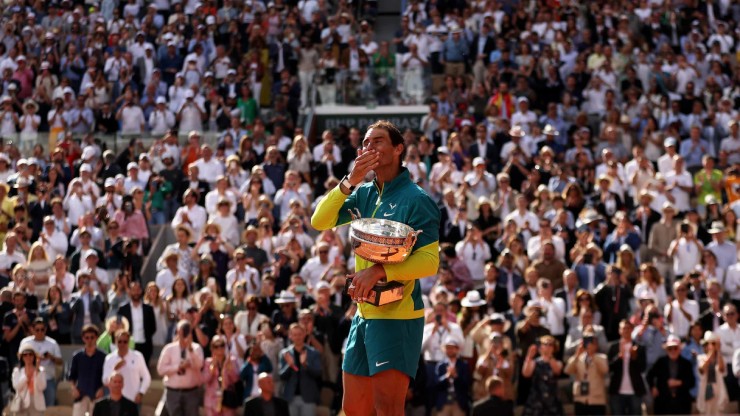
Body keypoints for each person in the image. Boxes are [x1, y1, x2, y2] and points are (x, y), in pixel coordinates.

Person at [311, 120, 440, 415]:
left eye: (378, 141)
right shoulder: (362, 193)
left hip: (397, 316)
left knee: (388, 410)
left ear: (398, 149)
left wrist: (379, 271)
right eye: (366, 143)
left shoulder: (417, 200)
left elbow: (430, 262)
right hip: (364, 312)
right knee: (354, 409)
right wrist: (349, 181)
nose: (370, 147)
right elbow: (319, 221)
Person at [156, 320, 205, 416]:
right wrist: (177, 367)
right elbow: (160, 370)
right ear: (178, 331)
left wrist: (190, 349)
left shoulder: (196, 348)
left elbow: (199, 365)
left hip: (191, 392)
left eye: (187, 331)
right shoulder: (169, 349)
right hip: (173, 393)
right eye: (183, 331)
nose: (185, 334)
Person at [279, 323, 322, 416]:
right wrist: (289, 365)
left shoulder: (313, 353)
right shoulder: (285, 353)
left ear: (304, 334)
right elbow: (282, 376)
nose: (297, 337)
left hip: (308, 397)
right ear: (290, 336)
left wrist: (305, 365)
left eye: (299, 334)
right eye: (294, 334)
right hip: (290, 396)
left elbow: (318, 373)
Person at [646, 335, 695, 415]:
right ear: (666, 350)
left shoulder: (686, 364)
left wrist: (679, 382)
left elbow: (692, 382)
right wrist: (653, 387)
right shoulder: (660, 362)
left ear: (679, 349)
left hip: (682, 404)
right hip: (663, 404)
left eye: (675, 348)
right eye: (670, 348)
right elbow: (649, 375)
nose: (673, 351)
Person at [19, 318, 62, 407]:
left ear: (45, 329)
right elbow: (19, 357)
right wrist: (33, 357)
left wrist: (51, 357)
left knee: (49, 406)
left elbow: (60, 361)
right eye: (37, 330)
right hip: (30, 379)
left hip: (48, 379)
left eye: (42, 329)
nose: (40, 332)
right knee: (29, 406)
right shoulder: (25, 342)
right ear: (32, 329)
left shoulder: (52, 343)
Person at [564, 329, 609, 415]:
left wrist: (592, 355)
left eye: (591, 341)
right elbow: (567, 370)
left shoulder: (602, 357)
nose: (588, 344)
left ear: (596, 344)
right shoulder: (578, 358)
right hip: (580, 399)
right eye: (586, 341)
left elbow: (605, 370)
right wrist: (577, 354)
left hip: (597, 400)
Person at [102, 329, 151, 406]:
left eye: (125, 342)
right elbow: (105, 380)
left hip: (133, 400)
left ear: (128, 342)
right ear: (115, 342)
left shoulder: (138, 356)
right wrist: (114, 369)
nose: (122, 344)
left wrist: (141, 393)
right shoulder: (109, 358)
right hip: (115, 401)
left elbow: (146, 377)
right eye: (120, 341)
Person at [607, 320, 646, 416]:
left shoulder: (639, 347)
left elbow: (643, 368)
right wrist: (619, 357)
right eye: (624, 328)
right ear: (619, 330)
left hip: (635, 391)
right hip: (617, 391)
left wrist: (634, 358)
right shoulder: (613, 347)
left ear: (632, 330)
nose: (626, 331)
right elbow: (608, 368)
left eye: (628, 328)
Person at [68, 324, 106, 416]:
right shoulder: (77, 356)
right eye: (87, 337)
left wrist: (102, 389)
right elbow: (71, 376)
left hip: (97, 396)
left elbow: (107, 375)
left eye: (92, 337)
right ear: (83, 338)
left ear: (96, 337)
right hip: (80, 395)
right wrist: (73, 389)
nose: (89, 340)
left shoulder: (103, 356)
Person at [521, 335, 563, 416]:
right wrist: (529, 357)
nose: (548, 347)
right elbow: (526, 374)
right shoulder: (534, 362)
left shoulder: (557, 362)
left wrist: (549, 356)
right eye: (545, 344)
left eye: (550, 345)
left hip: (552, 403)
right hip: (536, 402)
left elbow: (557, 370)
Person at [117, 280, 157, 364]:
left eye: (137, 290)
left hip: (145, 346)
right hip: (129, 345)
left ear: (141, 291)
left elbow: (153, 327)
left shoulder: (148, 309)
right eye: (133, 290)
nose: (135, 292)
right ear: (129, 291)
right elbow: (119, 327)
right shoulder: (123, 309)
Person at [202, 335, 241, 416]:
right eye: (216, 346)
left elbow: (236, 379)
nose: (219, 348)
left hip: (227, 399)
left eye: (222, 345)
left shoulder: (232, 360)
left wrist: (230, 369)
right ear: (212, 348)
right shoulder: (208, 362)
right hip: (212, 401)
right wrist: (212, 369)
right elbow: (205, 380)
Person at [433, 336, 472, 416]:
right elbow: (436, 384)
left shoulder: (463, 365)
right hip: (444, 403)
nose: (450, 350)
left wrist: (455, 376)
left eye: (452, 348)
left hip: (459, 403)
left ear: (457, 349)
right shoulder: (441, 366)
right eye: (448, 348)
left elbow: (467, 384)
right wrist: (447, 376)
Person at [697, 331, 728, 415]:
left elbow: (722, 369)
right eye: (709, 343)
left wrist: (718, 351)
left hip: (718, 391)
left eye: (714, 343)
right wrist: (712, 351)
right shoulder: (701, 358)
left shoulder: (720, 358)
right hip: (706, 391)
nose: (712, 346)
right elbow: (702, 369)